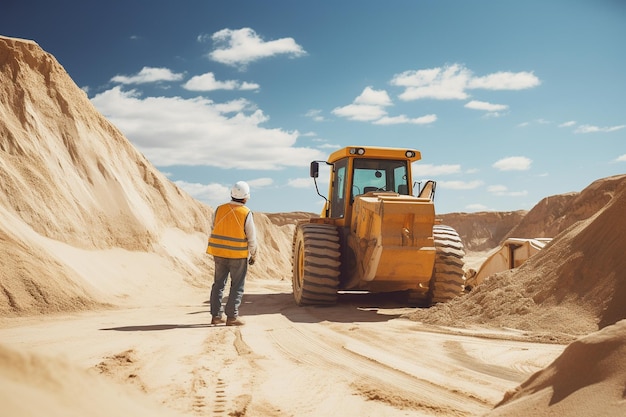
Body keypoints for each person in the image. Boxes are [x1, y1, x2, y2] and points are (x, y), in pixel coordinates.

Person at [206, 181, 257, 326]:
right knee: (237, 286)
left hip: (219, 253)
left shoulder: (219, 209)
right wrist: (253, 254)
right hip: (237, 255)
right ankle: (232, 317)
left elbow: (213, 227)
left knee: (218, 285)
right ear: (246, 197)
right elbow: (251, 236)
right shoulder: (246, 213)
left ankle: (216, 316)